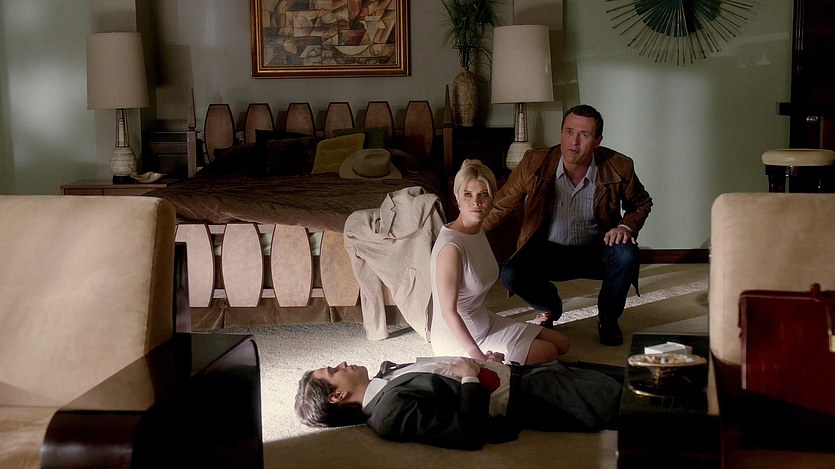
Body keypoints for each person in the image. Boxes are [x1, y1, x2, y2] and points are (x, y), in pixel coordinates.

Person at [483, 105, 653, 346]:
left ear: (597, 141)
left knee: (627, 255)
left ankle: (608, 319)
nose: (574, 141)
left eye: (584, 135)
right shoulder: (534, 162)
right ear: (561, 132)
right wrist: (462, 234)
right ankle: (549, 307)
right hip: (548, 251)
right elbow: (500, 206)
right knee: (510, 274)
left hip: (597, 250)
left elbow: (641, 203)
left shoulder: (618, 165)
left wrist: (624, 227)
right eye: (569, 132)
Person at [294, 356, 622, 450]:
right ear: (337, 396)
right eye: (334, 371)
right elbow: (467, 432)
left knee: (635, 370)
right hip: (534, 395)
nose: (342, 363)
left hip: (525, 371)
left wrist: (483, 364)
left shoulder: (386, 374)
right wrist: (470, 377)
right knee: (631, 400)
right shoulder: (388, 414)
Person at [430, 159, 570, 365]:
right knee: (548, 352)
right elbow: (447, 312)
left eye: (483, 194)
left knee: (562, 343)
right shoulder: (451, 247)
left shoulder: (477, 229)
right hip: (459, 341)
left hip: (485, 322)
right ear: (457, 197)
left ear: (493, 196)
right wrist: (479, 356)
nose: (476, 202)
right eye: (468, 194)